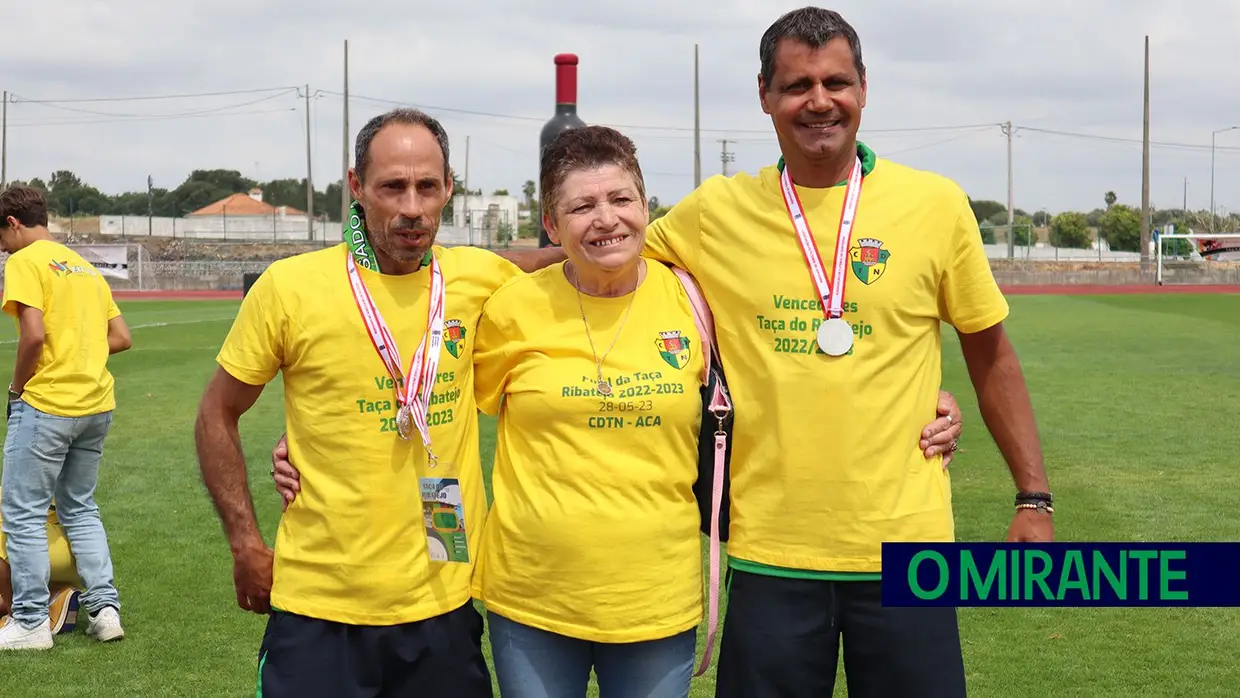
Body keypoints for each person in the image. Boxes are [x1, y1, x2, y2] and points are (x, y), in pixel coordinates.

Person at [270, 127, 968, 695]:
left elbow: (796, 362)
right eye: (580, 207)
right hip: (530, 596)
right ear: (551, 222)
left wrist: (925, 400)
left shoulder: (695, 298)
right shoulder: (505, 303)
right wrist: (307, 437)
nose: (605, 218)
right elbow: (424, 380)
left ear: (646, 206)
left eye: (621, 199)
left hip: (656, 600)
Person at [635, 7, 1055, 697]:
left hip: (908, 553)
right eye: (798, 85)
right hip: (770, 553)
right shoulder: (715, 212)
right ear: (765, 95)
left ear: (864, 88)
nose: (819, 101)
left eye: (837, 81)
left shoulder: (936, 205)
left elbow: (990, 354)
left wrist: (1033, 498)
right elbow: (608, 265)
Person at [193, 107, 560, 697]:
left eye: (427, 187)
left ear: (448, 189)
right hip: (320, 606)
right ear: (357, 188)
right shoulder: (291, 288)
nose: (412, 207)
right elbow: (217, 412)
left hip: (444, 598)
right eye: (392, 187)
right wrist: (245, 543)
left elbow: (567, 258)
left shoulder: (477, 276)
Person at [0, 184, 132, 651]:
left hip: (48, 404)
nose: (1, 246)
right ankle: (106, 610)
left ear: (13, 223)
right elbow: (121, 337)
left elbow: (32, 336)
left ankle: (32, 620)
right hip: (96, 405)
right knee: (79, 508)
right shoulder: (84, 267)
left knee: (23, 513)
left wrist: (17, 389)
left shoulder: (24, 262)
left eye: (1, 235)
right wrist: (80, 353)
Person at [0, 486, 86, 635]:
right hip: (83, 555)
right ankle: (57, 595)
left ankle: (18, 619)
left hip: (45, 553)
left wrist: (10, 606)